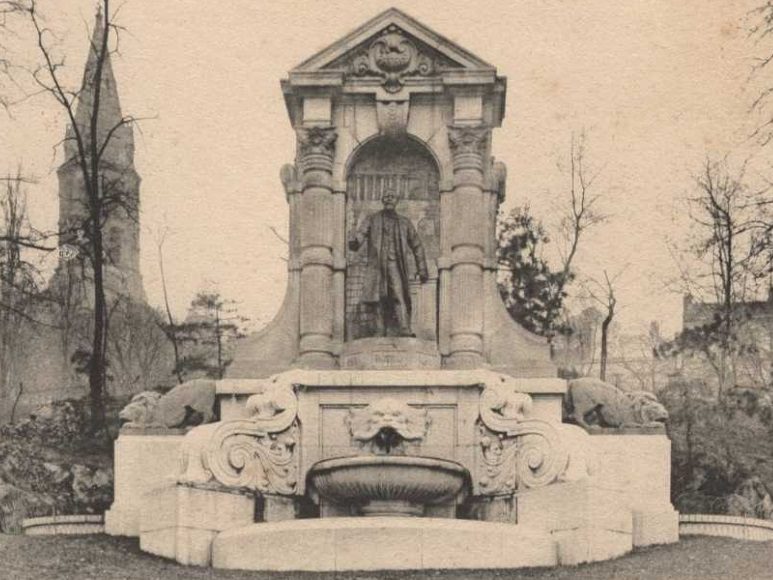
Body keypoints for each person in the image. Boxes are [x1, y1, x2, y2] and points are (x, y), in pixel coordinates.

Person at [349, 189, 428, 337]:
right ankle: (379, 330)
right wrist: (355, 242)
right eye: (386, 196)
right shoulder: (372, 219)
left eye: (392, 196)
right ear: (382, 200)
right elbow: (362, 233)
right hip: (377, 265)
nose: (389, 199)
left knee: (399, 295)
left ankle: (404, 328)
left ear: (396, 200)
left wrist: (422, 269)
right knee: (378, 298)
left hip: (395, 265)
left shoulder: (404, 223)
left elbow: (417, 245)